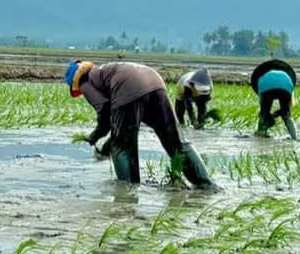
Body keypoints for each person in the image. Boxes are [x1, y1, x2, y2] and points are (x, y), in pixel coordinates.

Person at [66, 60, 214, 188]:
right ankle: (205, 183)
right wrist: (105, 144)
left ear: (74, 82)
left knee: (122, 146)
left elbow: (104, 111)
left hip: (128, 86)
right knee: (175, 139)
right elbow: (119, 120)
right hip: (154, 81)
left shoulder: (84, 82)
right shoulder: (103, 70)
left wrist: (93, 136)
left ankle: (128, 189)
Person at [251, 59, 297, 139]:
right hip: (286, 85)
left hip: (266, 86)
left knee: (263, 114)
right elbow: (285, 109)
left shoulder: (262, 80)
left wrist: (269, 115)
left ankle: (260, 133)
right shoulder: (286, 76)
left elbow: (262, 113)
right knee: (287, 115)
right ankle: (294, 137)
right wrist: (275, 114)